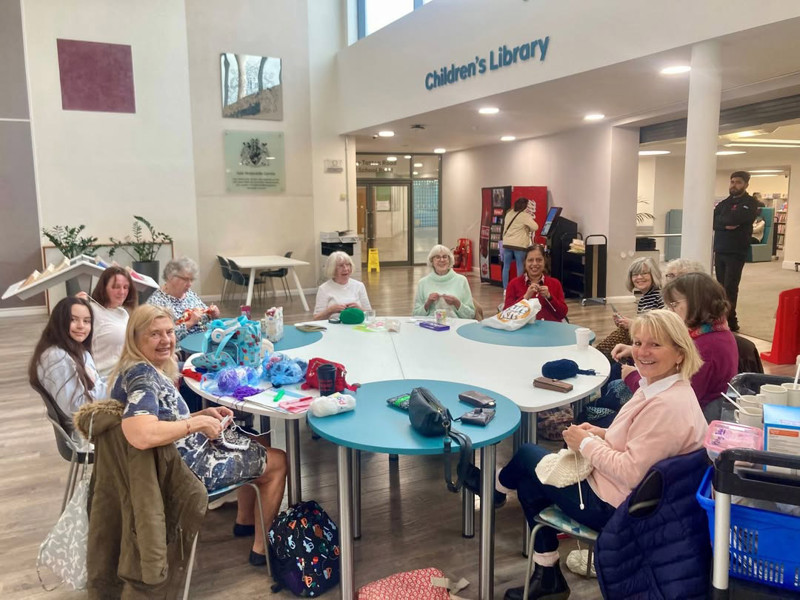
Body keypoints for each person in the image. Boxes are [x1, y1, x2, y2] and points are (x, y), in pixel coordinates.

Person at [468, 310, 707, 600]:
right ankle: (547, 575)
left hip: (618, 509)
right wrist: (599, 433)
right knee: (532, 477)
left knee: (529, 455)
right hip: (641, 501)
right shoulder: (668, 390)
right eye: (639, 342)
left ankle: (495, 490)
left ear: (680, 353)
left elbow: (632, 472)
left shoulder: (664, 407)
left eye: (655, 345)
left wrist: (585, 444)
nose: (642, 352)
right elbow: (641, 445)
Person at [111, 305, 287, 566]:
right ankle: (262, 551)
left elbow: (161, 421)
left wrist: (201, 417)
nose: (166, 340)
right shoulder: (142, 378)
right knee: (279, 461)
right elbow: (141, 433)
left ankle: (245, 522)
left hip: (175, 458)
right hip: (188, 473)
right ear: (136, 338)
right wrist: (196, 426)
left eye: (169, 332)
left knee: (256, 439)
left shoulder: (137, 368)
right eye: (155, 334)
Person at [614, 272, 738, 422]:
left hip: (690, 420)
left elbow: (675, 400)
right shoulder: (713, 331)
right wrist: (635, 350)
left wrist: (632, 376)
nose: (670, 310)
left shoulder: (705, 347)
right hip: (689, 409)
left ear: (696, 302)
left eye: (674, 305)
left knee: (612, 393)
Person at [28, 297, 107, 442]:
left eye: (87, 321)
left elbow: (94, 384)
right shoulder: (57, 357)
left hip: (91, 420)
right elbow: (76, 408)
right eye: (73, 320)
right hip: (84, 433)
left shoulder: (78, 350)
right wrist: (117, 386)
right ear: (60, 321)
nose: (81, 326)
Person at [713, 171, 759, 331]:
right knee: (719, 287)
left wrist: (724, 221)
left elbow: (734, 219)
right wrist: (725, 224)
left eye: (738, 182)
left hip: (736, 251)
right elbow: (713, 220)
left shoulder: (751, 203)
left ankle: (730, 321)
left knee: (730, 287)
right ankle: (722, 318)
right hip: (720, 249)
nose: (734, 185)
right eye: (732, 182)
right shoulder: (725, 202)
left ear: (746, 184)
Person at [595, 257, 664, 358]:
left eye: (644, 273)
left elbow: (661, 329)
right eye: (635, 274)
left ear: (654, 275)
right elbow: (644, 325)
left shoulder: (660, 297)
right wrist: (626, 323)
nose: (639, 277)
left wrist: (633, 324)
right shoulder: (643, 300)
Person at [81, 266, 138, 377]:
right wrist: (74, 305)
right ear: (104, 288)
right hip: (106, 377)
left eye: (126, 287)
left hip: (127, 370)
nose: (122, 292)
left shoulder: (123, 313)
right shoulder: (91, 310)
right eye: (116, 287)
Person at [147, 257, 220, 341]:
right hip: (179, 350)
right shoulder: (156, 303)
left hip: (203, 340)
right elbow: (160, 338)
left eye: (191, 280)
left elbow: (205, 316)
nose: (189, 284)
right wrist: (190, 323)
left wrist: (213, 315)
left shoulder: (189, 294)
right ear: (170, 277)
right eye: (185, 279)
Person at [503, 244, 568, 322]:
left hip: (550, 331)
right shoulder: (513, 284)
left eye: (539, 260)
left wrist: (550, 297)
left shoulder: (555, 283)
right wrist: (525, 297)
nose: (534, 264)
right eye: (530, 260)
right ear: (525, 263)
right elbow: (506, 314)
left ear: (544, 262)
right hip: (523, 331)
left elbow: (562, 313)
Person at [412, 244, 476, 319]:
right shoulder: (423, 283)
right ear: (432, 261)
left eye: (445, 257)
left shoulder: (461, 280)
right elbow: (415, 315)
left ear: (449, 260)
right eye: (437, 257)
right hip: (430, 327)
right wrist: (427, 303)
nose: (442, 260)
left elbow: (471, 315)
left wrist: (457, 303)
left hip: (455, 326)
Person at [313, 251, 372, 320]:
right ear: (332, 269)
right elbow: (316, 319)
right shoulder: (324, 289)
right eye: (341, 266)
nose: (346, 269)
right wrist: (330, 310)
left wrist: (359, 309)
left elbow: (370, 315)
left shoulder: (359, 286)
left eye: (348, 265)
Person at [502, 198, 539, 290]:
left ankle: (505, 289)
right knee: (520, 266)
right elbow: (535, 227)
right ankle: (519, 288)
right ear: (525, 206)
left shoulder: (509, 213)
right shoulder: (524, 216)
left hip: (507, 243)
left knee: (506, 266)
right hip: (519, 244)